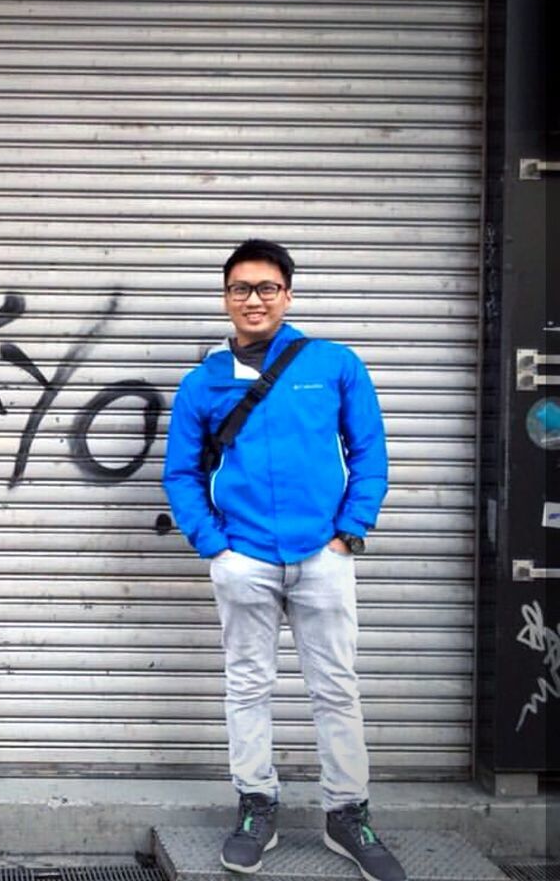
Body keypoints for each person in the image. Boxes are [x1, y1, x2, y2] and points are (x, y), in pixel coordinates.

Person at [162, 239, 406, 881]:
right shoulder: (204, 381)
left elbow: (370, 451)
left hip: (322, 555)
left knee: (336, 686)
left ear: (288, 295)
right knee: (248, 684)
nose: (253, 299)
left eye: (267, 287)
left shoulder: (333, 364)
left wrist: (349, 531)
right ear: (225, 298)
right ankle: (256, 805)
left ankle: (346, 814)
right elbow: (181, 473)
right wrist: (214, 545)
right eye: (240, 288)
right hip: (243, 557)